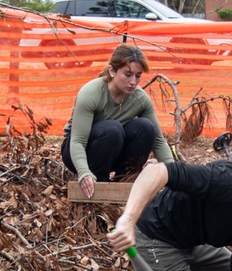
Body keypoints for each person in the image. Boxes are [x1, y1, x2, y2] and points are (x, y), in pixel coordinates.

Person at [62, 44, 174, 200]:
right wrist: (83, 172)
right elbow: (78, 141)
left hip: (112, 150)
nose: (133, 81)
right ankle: (99, 182)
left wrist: (175, 174)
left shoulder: (140, 99)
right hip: (78, 151)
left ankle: (124, 180)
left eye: (138, 75)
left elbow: (159, 142)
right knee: (112, 129)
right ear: (112, 71)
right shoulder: (91, 93)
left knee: (146, 128)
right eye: (128, 74)